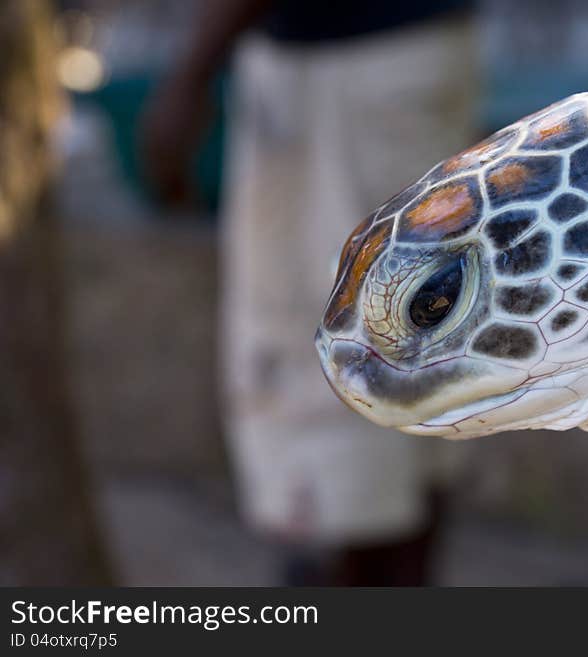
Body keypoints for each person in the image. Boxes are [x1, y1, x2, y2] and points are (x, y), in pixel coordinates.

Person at [141, 0, 478, 584]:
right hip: (409, 61)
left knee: (348, 370)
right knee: (417, 354)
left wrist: (188, 78)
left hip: (346, 84)